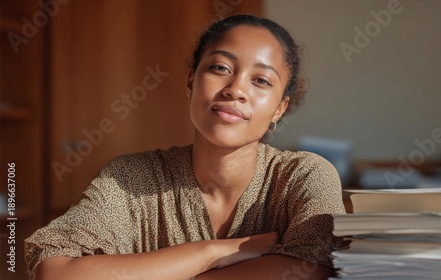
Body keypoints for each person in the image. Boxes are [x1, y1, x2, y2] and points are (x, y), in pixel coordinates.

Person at [25, 14, 346, 280]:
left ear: (279, 108)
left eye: (261, 80)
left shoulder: (304, 176)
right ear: (191, 82)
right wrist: (213, 252)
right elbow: (56, 272)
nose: (235, 90)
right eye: (220, 68)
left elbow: (309, 270)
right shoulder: (128, 178)